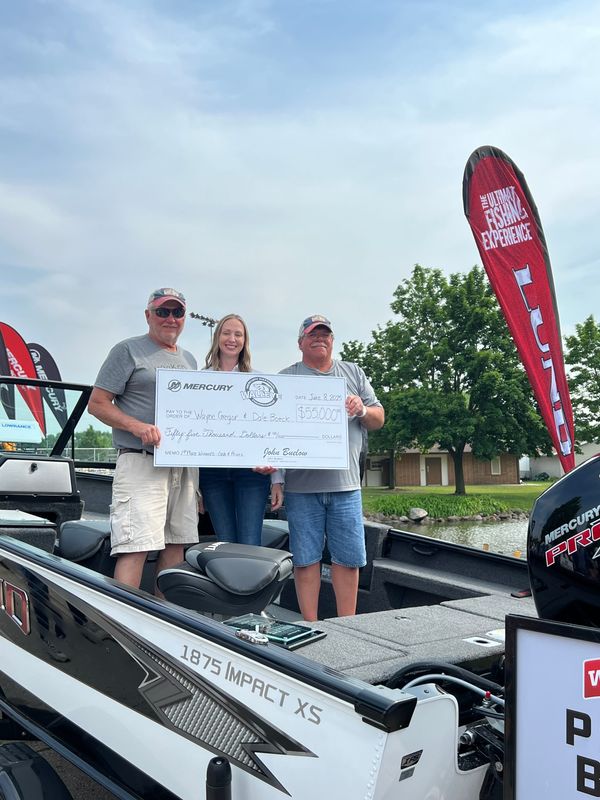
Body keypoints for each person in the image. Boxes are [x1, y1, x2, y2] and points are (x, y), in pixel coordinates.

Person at [88, 288, 199, 591]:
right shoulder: (127, 350)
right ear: (148, 315)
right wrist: (136, 427)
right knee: (135, 546)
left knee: (176, 545)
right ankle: (122, 616)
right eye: (162, 311)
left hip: (182, 468)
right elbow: (97, 403)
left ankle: (165, 615)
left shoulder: (190, 360)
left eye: (177, 312)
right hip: (141, 461)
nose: (170, 318)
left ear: (184, 317)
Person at [276, 314, 384, 621]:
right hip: (301, 489)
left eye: (325, 334)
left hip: (345, 487)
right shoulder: (285, 378)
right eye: (312, 334)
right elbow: (274, 432)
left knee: (348, 560)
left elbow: (379, 418)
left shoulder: (353, 372)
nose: (319, 338)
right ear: (300, 343)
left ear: (332, 341)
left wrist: (361, 409)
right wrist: (276, 479)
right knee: (305, 560)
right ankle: (310, 623)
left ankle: (346, 626)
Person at [198, 313, 275, 545]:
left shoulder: (260, 381)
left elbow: (272, 431)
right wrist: (194, 487)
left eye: (238, 334)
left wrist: (277, 477)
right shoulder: (198, 380)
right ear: (217, 337)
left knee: (250, 542)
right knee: (226, 542)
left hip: (251, 473)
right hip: (211, 473)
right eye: (226, 333)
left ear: (245, 341)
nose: (232, 339)